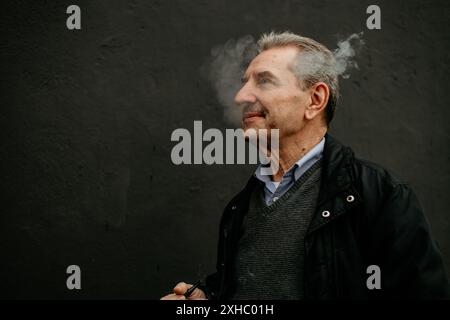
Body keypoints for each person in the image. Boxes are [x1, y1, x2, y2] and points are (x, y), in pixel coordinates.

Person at [161, 31, 450, 300]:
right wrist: (207, 299)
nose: (241, 97)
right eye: (243, 82)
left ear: (315, 100)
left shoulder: (381, 196)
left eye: (264, 81)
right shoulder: (240, 208)